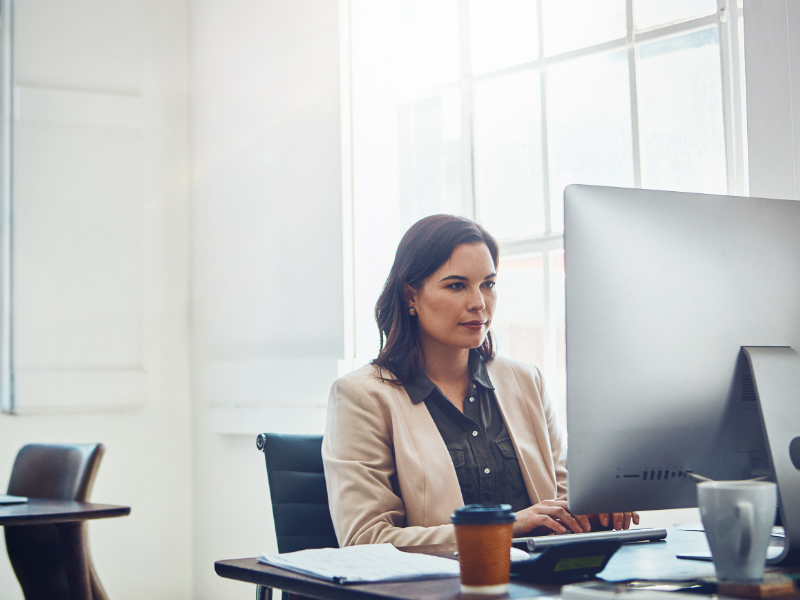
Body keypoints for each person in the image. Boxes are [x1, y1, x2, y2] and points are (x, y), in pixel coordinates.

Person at [322, 214, 638, 547]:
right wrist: (506, 527)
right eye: (457, 285)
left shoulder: (527, 381)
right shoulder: (361, 396)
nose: (479, 303)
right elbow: (365, 539)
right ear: (410, 296)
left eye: (488, 284)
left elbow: (564, 502)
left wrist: (597, 509)